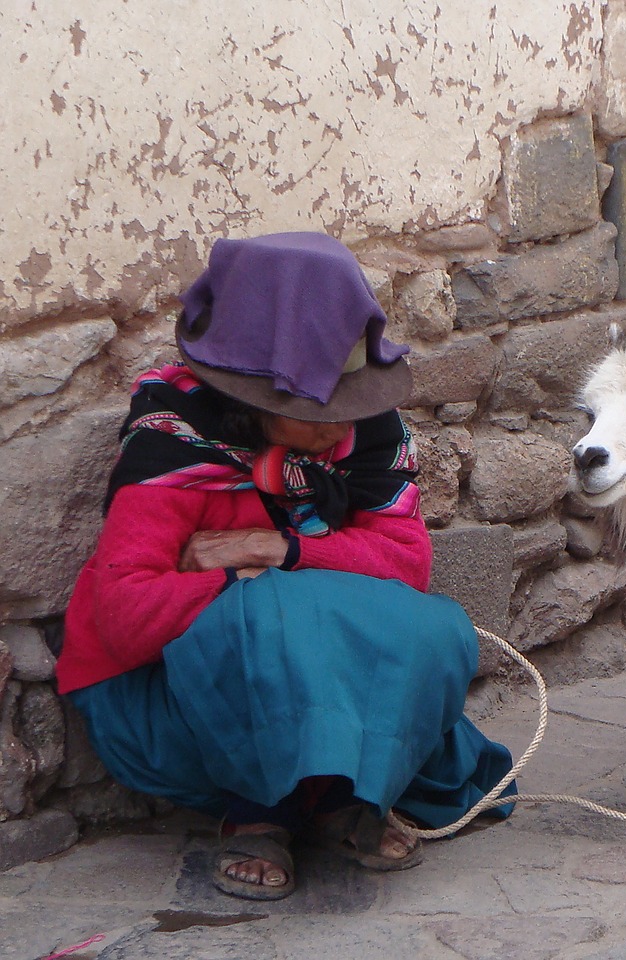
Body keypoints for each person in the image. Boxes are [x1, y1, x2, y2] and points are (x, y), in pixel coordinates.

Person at [55, 232, 515, 901]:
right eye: (315, 411)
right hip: (177, 705)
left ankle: (331, 795)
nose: (340, 428)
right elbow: (126, 617)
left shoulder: (368, 435)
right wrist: (251, 593)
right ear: (252, 396)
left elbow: (407, 564)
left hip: (315, 676)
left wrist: (279, 551)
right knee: (272, 617)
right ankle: (263, 807)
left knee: (431, 627)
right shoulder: (174, 444)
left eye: (350, 402)